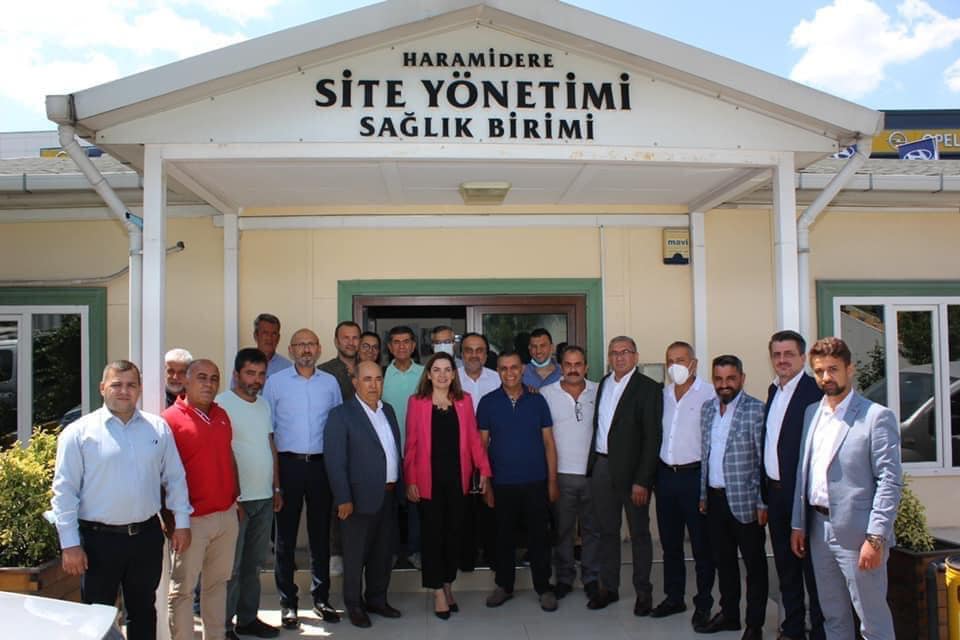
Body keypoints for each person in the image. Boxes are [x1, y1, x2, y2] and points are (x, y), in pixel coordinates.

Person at [51, 360, 191, 640]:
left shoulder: (157, 428)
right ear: (102, 388)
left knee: (143, 611)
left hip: (146, 538)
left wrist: (182, 523)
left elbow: (175, 478)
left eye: (131, 385)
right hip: (98, 542)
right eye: (117, 384)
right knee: (97, 618)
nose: (124, 391)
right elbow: (64, 492)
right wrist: (70, 544)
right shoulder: (79, 433)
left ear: (139, 389)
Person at [791, 337, 902, 640]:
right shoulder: (812, 413)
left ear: (849, 369)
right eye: (819, 371)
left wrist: (876, 538)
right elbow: (804, 471)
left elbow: (889, 481)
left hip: (859, 535)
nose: (826, 377)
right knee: (833, 617)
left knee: (872, 622)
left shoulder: (876, 416)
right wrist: (798, 524)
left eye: (833, 369)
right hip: (818, 530)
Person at [262, 329, 343, 628]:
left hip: (321, 466)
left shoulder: (330, 383)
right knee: (285, 538)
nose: (306, 349)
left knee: (320, 535)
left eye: (311, 344)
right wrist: (275, 479)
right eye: (300, 345)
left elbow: (337, 425)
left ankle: (321, 599)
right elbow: (268, 430)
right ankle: (288, 603)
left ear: (319, 349)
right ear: (291, 349)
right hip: (288, 465)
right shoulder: (276, 383)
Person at [404, 352, 492, 618]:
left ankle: (447, 584)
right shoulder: (417, 402)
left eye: (447, 370)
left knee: (454, 536)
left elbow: (474, 440)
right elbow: (411, 445)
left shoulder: (465, 401)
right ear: (429, 375)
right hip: (427, 481)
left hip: (457, 481)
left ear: (454, 374)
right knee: (432, 537)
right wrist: (410, 479)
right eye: (436, 370)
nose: (442, 375)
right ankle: (437, 593)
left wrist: (484, 469)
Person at [162, 359, 241, 640]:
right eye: (202, 377)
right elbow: (160, 475)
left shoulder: (221, 414)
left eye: (214, 378)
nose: (209, 384)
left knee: (217, 585)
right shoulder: (169, 420)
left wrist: (236, 498)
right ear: (186, 381)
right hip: (191, 521)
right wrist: (171, 521)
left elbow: (228, 456)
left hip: (226, 515)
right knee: (183, 591)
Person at [325, 361, 404, 628]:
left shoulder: (388, 410)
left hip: (388, 495)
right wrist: (343, 498)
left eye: (378, 379)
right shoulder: (341, 414)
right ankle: (354, 605)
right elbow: (335, 461)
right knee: (355, 555)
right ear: (355, 382)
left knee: (383, 553)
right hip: (357, 500)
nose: (373, 385)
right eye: (367, 379)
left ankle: (377, 600)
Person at [478, 351, 559, 612]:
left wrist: (552, 481)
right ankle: (504, 585)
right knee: (503, 537)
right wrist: (486, 484)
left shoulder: (538, 401)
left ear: (522, 369)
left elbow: (549, 443)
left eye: (514, 367)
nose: (509, 373)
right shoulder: (488, 402)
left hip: (536, 481)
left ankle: (544, 587)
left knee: (539, 538)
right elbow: (482, 446)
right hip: (501, 483)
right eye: (504, 368)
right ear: (498, 371)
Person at [586, 336, 662, 615]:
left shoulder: (648, 388)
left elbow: (652, 438)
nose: (619, 357)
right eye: (614, 353)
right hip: (603, 467)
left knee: (639, 533)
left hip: (633, 474)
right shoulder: (604, 383)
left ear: (635, 356)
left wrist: (643, 480)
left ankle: (643, 592)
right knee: (607, 531)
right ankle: (609, 588)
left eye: (625, 352)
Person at [697, 355, 768, 639]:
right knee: (723, 562)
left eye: (730, 378)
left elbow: (762, 461)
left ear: (742, 378)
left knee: (754, 565)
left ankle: (754, 623)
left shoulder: (756, 410)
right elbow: (706, 456)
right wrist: (703, 495)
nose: (724, 384)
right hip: (715, 499)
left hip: (745, 501)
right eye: (718, 379)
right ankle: (729, 615)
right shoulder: (707, 410)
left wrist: (762, 501)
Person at [764, 331, 825, 640]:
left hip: (802, 498)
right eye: (777, 354)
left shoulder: (814, 392)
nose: (782, 360)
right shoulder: (774, 390)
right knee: (786, 568)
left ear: (803, 358)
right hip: (775, 495)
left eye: (788, 354)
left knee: (812, 571)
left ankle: (820, 631)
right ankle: (793, 628)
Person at [217, 348, 282, 640]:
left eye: (261, 374)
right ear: (236, 374)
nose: (256, 380)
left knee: (254, 565)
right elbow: (220, 454)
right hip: (236, 502)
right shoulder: (221, 404)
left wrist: (276, 487)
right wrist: (233, 497)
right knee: (231, 567)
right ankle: (224, 626)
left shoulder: (264, 405)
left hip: (264, 498)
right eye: (250, 373)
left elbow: (270, 445)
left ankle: (247, 619)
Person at [653, 341, 716, 628]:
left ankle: (703, 603)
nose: (674, 366)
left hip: (695, 476)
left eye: (680, 360)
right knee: (670, 543)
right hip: (666, 476)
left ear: (694, 363)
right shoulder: (663, 395)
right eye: (670, 360)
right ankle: (674, 597)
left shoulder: (709, 394)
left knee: (702, 545)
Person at [539, 345, 600, 600]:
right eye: (568, 364)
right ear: (560, 367)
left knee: (592, 530)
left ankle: (592, 578)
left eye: (578, 364)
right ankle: (564, 578)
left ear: (586, 367)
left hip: (593, 474)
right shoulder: (546, 394)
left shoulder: (600, 391)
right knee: (563, 531)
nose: (573, 369)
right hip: (561, 474)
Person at [455, 332, 500, 571]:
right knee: (462, 509)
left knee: (491, 507)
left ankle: (493, 556)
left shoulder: (498, 378)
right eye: (469, 350)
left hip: (491, 452)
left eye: (479, 350)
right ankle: (466, 558)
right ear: (461, 354)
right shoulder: (451, 378)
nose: (474, 355)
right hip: (458, 453)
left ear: (486, 354)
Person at [382, 325, 425, 568]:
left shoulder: (425, 374)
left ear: (413, 345)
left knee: (416, 504)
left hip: (417, 453)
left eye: (406, 341)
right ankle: (388, 552)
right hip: (387, 453)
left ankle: (415, 550)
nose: (401, 346)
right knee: (388, 506)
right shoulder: (381, 375)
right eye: (396, 342)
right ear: (389, 347)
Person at [319, 320, 361, 401]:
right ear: (336, 342)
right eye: (346, 338)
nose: (351, 343)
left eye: (355, 338)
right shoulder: (324, 371)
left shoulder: (367, 369)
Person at [253, 313, 293, 377]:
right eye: (265, 333)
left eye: (274, 334)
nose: (269, 338)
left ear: (278, 338)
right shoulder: (244, 364)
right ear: (256, 336)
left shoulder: (287, 368)